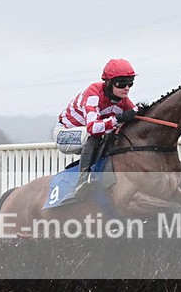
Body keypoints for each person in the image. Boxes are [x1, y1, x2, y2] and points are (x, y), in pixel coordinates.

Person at [58, 58, 138, 194]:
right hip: (65, 135)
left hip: (88, 135)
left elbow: (136, 114)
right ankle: (82, 181)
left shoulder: (123, 100)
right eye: (121, 83)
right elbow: (93, 128)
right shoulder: (93, 93)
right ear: (108, 83)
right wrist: (118, 118)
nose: (126, 88)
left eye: (130, 83)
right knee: (96, 135)